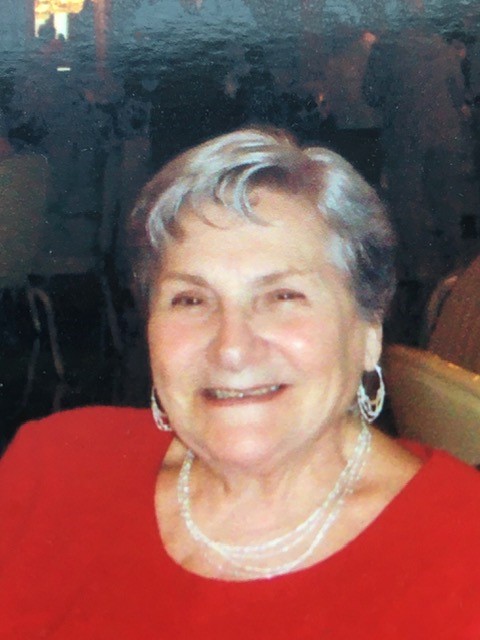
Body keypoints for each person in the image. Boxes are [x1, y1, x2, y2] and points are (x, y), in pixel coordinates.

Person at [1, 127, 480, 639]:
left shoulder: (461, 547)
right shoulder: (53, 470)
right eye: (190, 299)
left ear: (368, 332)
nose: (231, 349)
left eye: (283, 297)